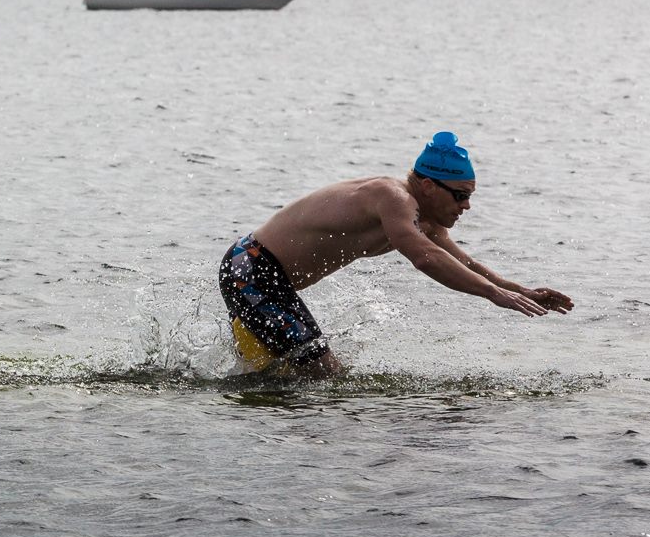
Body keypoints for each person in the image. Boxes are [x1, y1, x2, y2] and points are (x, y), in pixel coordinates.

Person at [218, 131, 573, 378]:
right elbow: (425, 259)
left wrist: (521, 290)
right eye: (461, 196)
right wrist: (495, 296)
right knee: (324, 374)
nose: (466, 206)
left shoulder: (426, 220)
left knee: (283, 374)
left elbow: (466, 263)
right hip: (250, 268)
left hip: (268, 280)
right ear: (430, 186)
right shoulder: (393, 198)